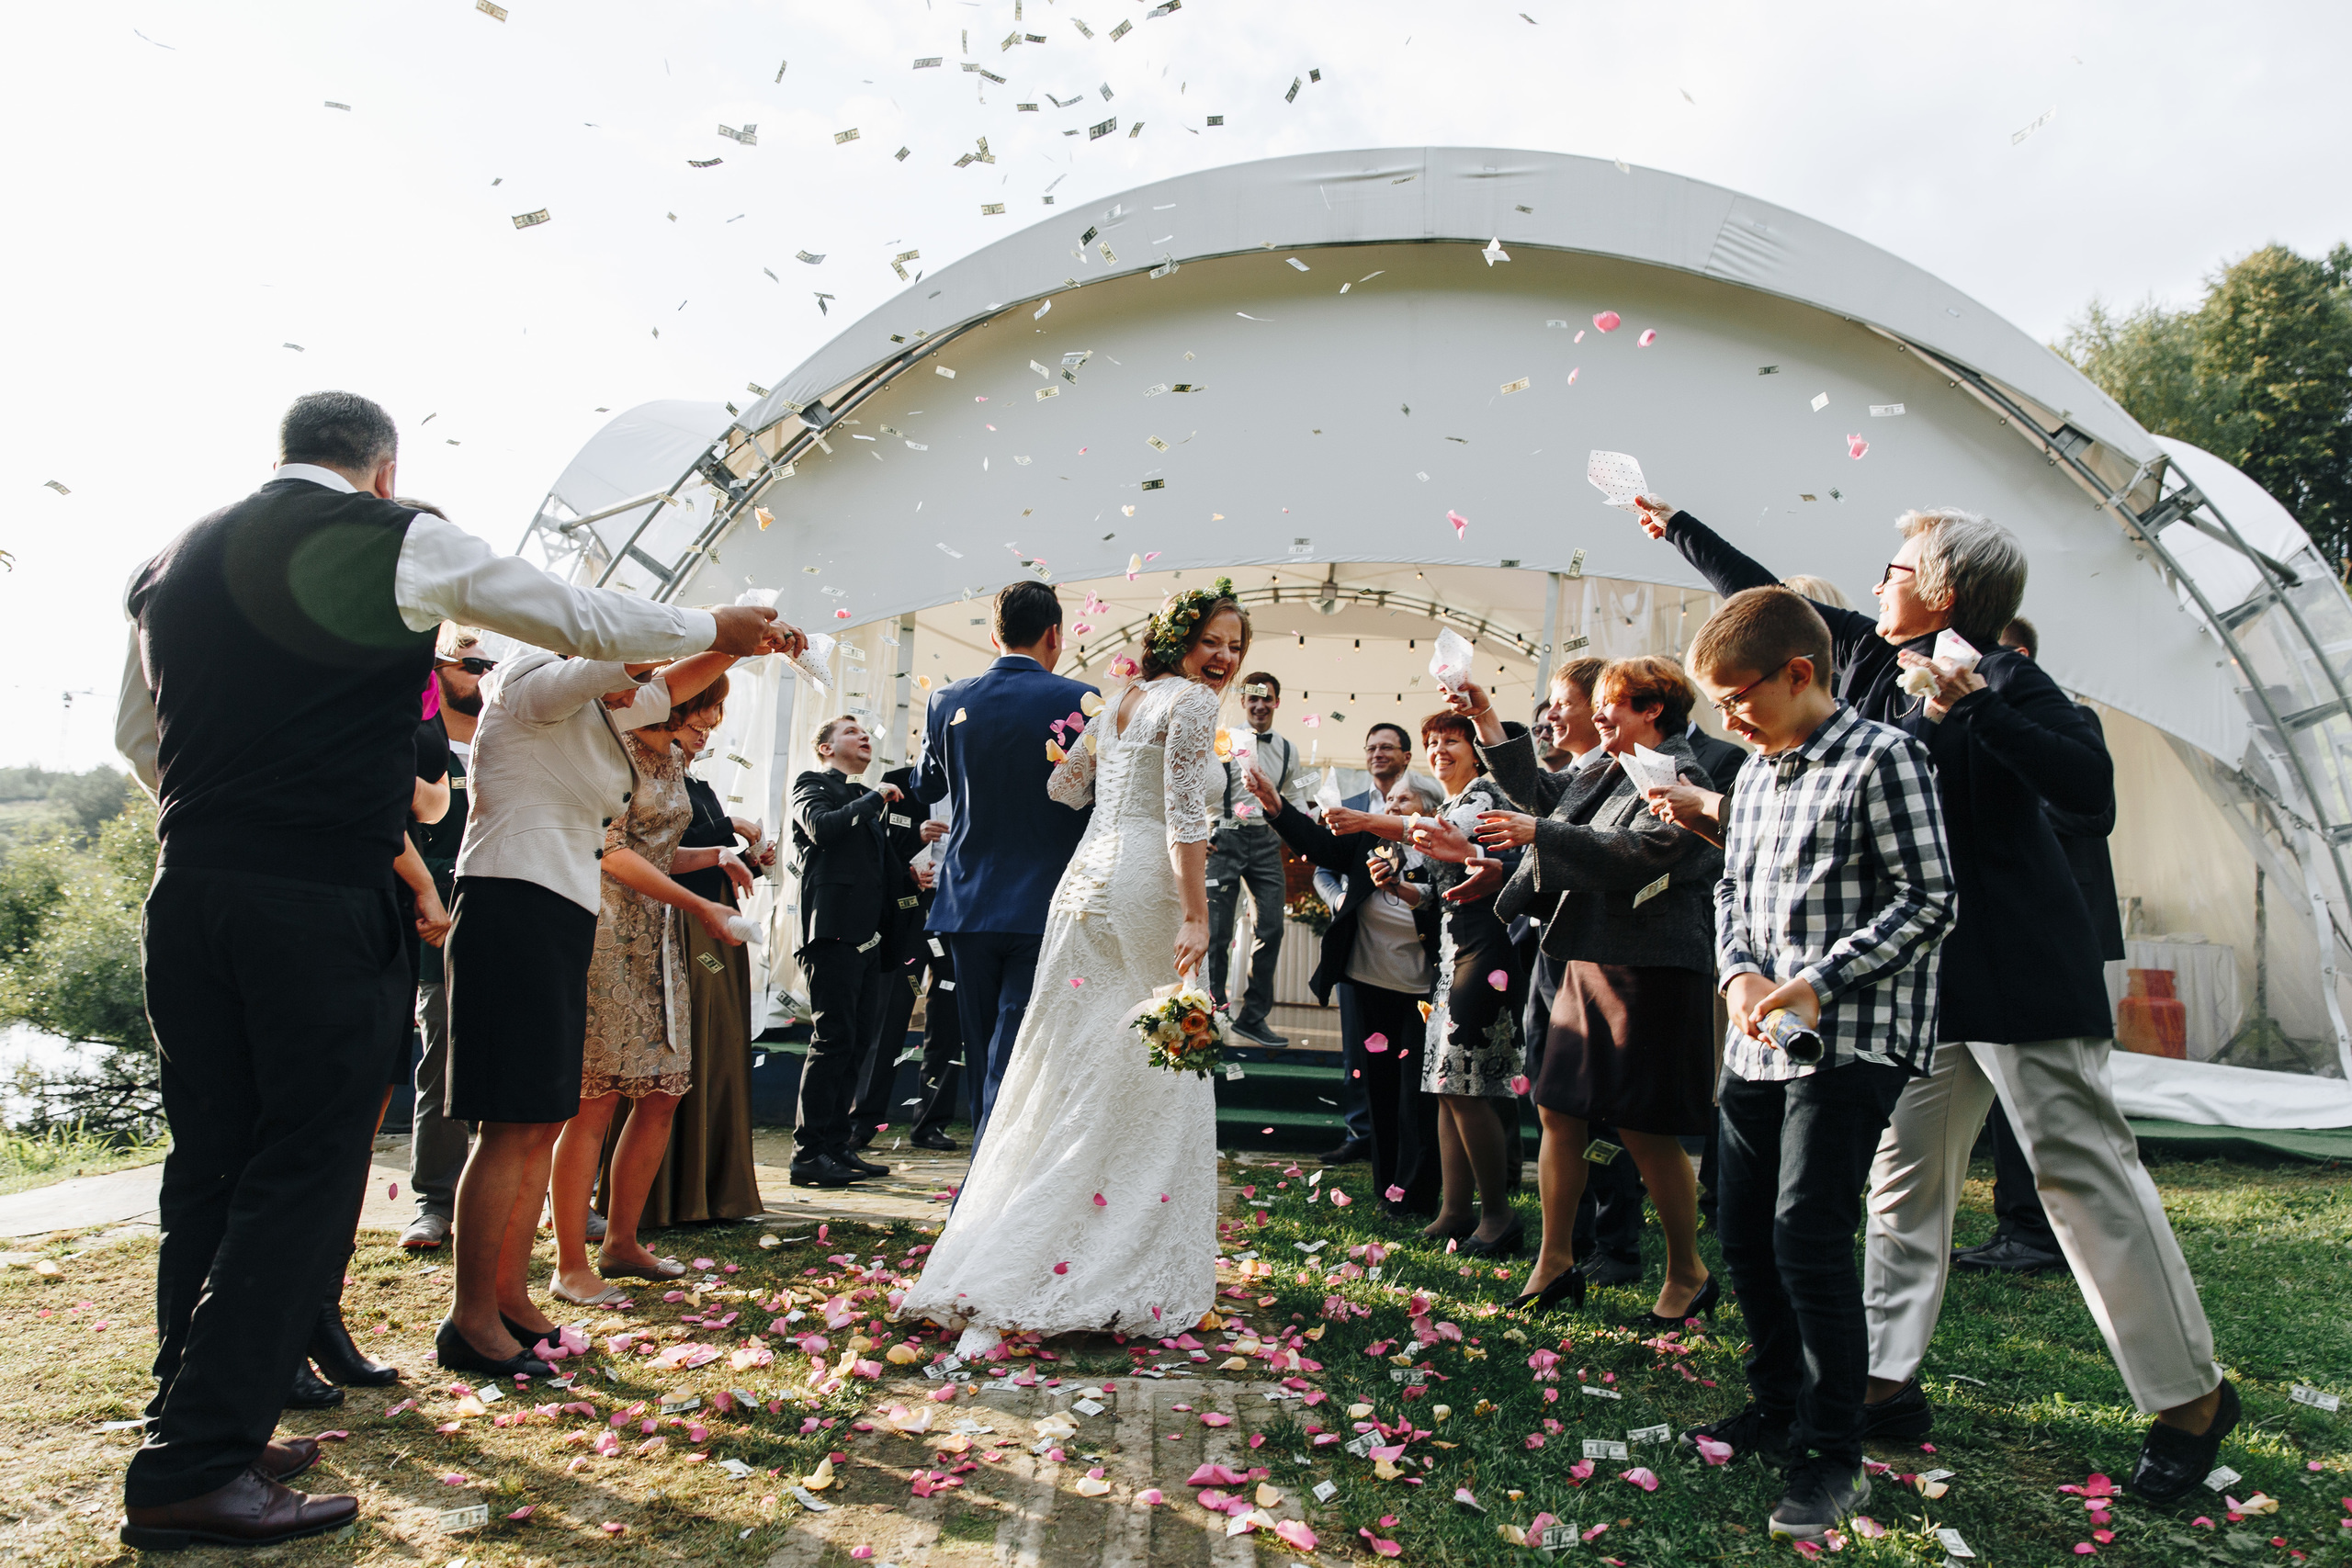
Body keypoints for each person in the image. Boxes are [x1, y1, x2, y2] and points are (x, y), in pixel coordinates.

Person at [113, 389, 791, 1549]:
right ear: (382, 470)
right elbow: (572, 612)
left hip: (192, 886)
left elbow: (138, 737)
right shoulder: (392, 539)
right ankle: (196, 1462)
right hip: (315, 896)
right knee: (302, 1165)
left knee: (212, 1161)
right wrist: (714, 623)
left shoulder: (169, 561)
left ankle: (196, 1414)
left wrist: (221, 818)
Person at [1632, 494, 2234, 1503]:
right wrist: (1678, 523)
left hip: (2017, 968)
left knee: (2083, 1180)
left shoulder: (2012, 681)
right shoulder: (1864, 663)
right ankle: (1881, 1384)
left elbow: (2089, 791)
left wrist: (1980, 708)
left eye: (1895, 570)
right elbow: (1764, 600)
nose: (1876, 584)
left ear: (1945, 592)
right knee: (1902, 1185)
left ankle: (2189, 1401)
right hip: (1909, 983)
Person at [1675, 586, 1956, 1542]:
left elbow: (1930, 900)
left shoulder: (1888, 758)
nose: (1727, 719)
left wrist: (1815, 982)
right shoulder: (1752, 775)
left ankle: (1832, 1451)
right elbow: (1729, 899)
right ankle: (1777, 1398)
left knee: (1806, 1232)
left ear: (1800, 672)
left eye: (1737, 696)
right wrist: (1738, 976)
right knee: (1742, 1228)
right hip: (1757, 1043)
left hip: (1856, 1035)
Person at [902, 579, 1244, 1354]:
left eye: (1234, 646)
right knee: (1156, 1070)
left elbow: (1064, 788)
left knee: (1073, 1062)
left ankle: (1020, 1242)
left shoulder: (1120, 697)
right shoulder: (1189, 705)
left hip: (1083, 882)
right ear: (1181, 638)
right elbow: (1187, 816)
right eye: (1212, 641)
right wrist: (1197, 911)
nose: (1222, 658)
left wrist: (1121, 805)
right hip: (1150, 887)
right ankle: (1108, 1250)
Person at [1453, 658, 1724, 1323]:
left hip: (1651, 969)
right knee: (1558, 1109)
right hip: (1588, 960)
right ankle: (1553, 1263)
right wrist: (1486, 718)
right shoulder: (1609, 764)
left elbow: (1643, 850)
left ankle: (1688, 1272)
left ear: (1652, 709)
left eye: (1609, 705)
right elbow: (1543, 795)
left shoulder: (1682, 772)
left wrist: (1540, 834)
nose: (1597, 717)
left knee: (1643, 1126)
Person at [548, 667, 752, 1303]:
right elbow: (610, 851)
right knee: (596, 1099)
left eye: (716, 712)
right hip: (606, 933)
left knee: (662, 1090)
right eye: (704, 708)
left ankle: (623, 1241)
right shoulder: (617, 747)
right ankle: (569, 1261)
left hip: (658, 940)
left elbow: (658, 852)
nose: (711, 722)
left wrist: (715, 856)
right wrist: (697, 906)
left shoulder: (672, 761)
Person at [1951, 615, 2123, 1277]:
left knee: (2046, 1098)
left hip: (2055, 920)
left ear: (2012, 658)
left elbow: (2093, 811)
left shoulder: (2066, 719)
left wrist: (1999, 799)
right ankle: (2017, 1223)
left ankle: (2037, 1231)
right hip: (1993, 927)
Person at [908, 582, 1098, 1154]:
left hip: (969, 901)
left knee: (981, 1040)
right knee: (1022, 1047)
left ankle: (986, 1169)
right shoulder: (1082, 700)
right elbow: (1095, 796)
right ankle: (998, 1173)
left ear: (995, 635)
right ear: (1054, 635)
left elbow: (926, 786)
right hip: (1046, 901)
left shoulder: (947, 699)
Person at [1337, 712, 1523, 1253]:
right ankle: (1453, 1210)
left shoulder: (1484, 796)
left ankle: (1497, 1218)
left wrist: (1364, 820)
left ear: (1475, 750)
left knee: (1466, 1091)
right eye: (1434, 742)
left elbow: (1437, 836)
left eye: (1453, 741)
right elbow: (1440, 890)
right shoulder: (1451, 803)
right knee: (1443, 1091)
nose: (1441, 749)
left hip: (1482, 951)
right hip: (1450, 951)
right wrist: (1401, 887)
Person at [1246, 761, 1442, 1219]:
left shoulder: (1441, 849)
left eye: (1402, 800)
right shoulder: (1371, 840)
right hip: (1368, 981)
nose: (1389, 806)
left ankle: (1418, 1193)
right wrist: (1277, 807)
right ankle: (1387, 1189)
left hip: (1424, 990)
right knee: (1379, 1088)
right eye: (1389, 799)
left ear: (1428, 810)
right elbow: (1318, 848)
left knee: (1415, 1097)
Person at [607, 739, 770, 1229]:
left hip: (713, 922)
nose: (700, 734)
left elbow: (691, 849)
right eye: (691, 722)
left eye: (708, 724)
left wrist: (741, 855)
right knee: (674, 1048)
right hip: (675, 922)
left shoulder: (698, 786)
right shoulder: (638, 778)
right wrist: (727, 834)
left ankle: (711, 1188)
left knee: (713, 1044)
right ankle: (652, 1199)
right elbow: (649, 848)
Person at [788, 716, 917, 1187]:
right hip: (832, 933)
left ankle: (837, 1147)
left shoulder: (868, 806)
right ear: (824, 749)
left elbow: (879, 869)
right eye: (849, 732)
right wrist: (874, 796)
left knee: (857, 1043)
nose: (863, 737)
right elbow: (822, 829)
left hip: (868, 939)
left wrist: (908, 874)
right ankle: (808, 1154)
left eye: (865, 732)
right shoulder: (812, 784)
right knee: (832, 1041)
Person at [402, 630, 489, 1251]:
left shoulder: (508, 742)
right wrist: (433, 897)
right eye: (474, 663)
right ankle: (435, 1200)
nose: (485, 674)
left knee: (522, 1062)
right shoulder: (419, 743)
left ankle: (532, 1193)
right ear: (439, 669)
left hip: (510, 920)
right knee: (442, 1067)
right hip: (442, 926)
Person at [1312, 722, 1422, 1166]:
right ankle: (1361, 1132)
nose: (1378, 754)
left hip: (1410, 947)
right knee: (1359, 1043)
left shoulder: (1421, 801)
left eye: (1388, 747)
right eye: (1371, 747)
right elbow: (1323, 868)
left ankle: (1404, 1136)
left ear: (1406, 757)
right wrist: (1340, 899)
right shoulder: (1348, 806)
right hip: (1356, 942)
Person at [862, 760, 962, 1151]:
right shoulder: (900, 782)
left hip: (957, 911)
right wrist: (916, 845)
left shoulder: (977, 778)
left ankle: (931, 1123)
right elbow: (876, 843)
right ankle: (863, 1121)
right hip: (908, 912)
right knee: (890, 1015)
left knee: (948, 1019)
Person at [1206, 672, 1300, 1047]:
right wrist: (1200, 830)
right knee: (1217, 933)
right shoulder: (1221, 740)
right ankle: (1212, 1016)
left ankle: (1253, 1017)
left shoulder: (1288, 750)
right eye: (1252, 699)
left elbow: (1292, 798)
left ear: (1277, 702)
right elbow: (1194, 785)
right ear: (1244, 702)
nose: (1260, 705)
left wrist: (1288, 834)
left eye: (1267, 698)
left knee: (1272, 927)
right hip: (1222, 837)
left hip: (1264, 840)